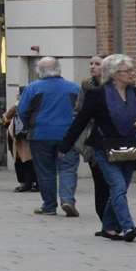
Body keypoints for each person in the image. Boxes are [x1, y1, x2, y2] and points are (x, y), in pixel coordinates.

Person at [58, 53, 136, 241]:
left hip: (129, 146)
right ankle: (128, 226)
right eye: (127, 71)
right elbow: (80, 121)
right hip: (104, 147)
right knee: (118, 185)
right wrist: (65, 146)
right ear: (114, 73)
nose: (132, 74)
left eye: (132, 70)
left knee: (119, 189)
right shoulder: (97, 94)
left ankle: (108, 228)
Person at [20, 56, 83, 217]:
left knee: (45, 171)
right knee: (68, 168)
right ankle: (67, 200)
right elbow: (81, 111)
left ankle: (49, 205)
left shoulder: (33, 88)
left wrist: (29, 126)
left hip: (41, 134)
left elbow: (23, 111)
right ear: (58, 69)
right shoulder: (74, 88)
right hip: (68, 135)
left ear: (39, 71)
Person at [79, 57, 109, 222]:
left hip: (114, 139)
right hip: (93, 138)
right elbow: (79, 110)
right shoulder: (86, 85)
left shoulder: (116, 85)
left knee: (114, 183)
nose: (92, 67)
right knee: (99, 180)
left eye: (97, 64)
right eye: (91, 63)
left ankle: (114, 219)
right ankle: (104, 218)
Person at [4, 88, 37, 192]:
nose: (17, 96)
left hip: (21, 137)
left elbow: (7, 116)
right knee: (31, 161)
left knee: (22, 161)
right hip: (29, 136)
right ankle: (34, 183)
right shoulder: (36, 105)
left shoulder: (19, 105)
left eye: (19, 94)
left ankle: (25, 183)